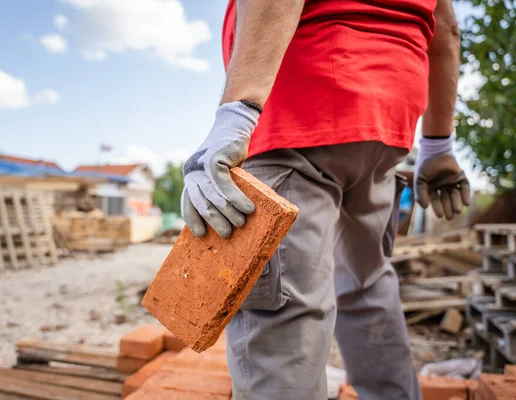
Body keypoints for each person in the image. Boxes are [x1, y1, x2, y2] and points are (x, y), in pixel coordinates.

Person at [181, 0, 470, 399]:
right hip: (387, 126)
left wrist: (235, 116)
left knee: (283, 314)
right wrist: (438, 145)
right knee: (367, 288)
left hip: (300, 113)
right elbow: (446, 27)